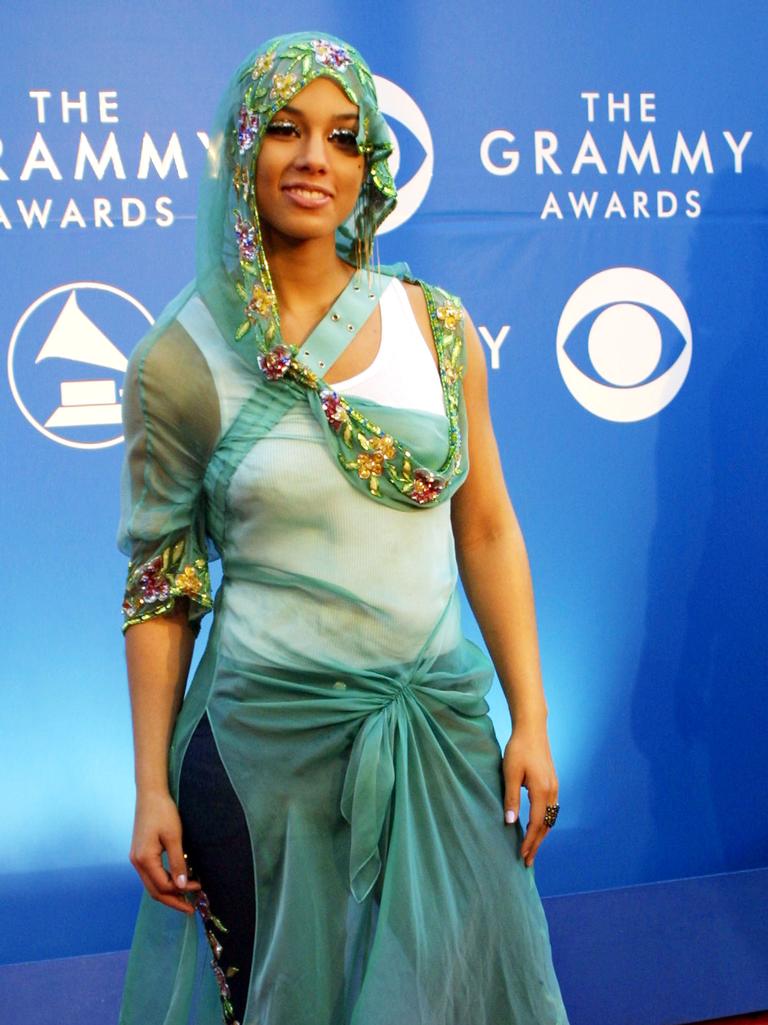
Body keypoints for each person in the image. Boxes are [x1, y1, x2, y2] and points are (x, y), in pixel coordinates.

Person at [117, 30, 569, 1025]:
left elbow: (486, 529)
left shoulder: (438, 328)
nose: (313, 158)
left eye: (341, 136)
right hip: (258, 759)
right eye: (284, 130)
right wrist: (150, 785)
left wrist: (529, 717)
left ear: (370, 166)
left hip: (439, 741)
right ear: (242, 151)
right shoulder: (176, 360)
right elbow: (162, 585)